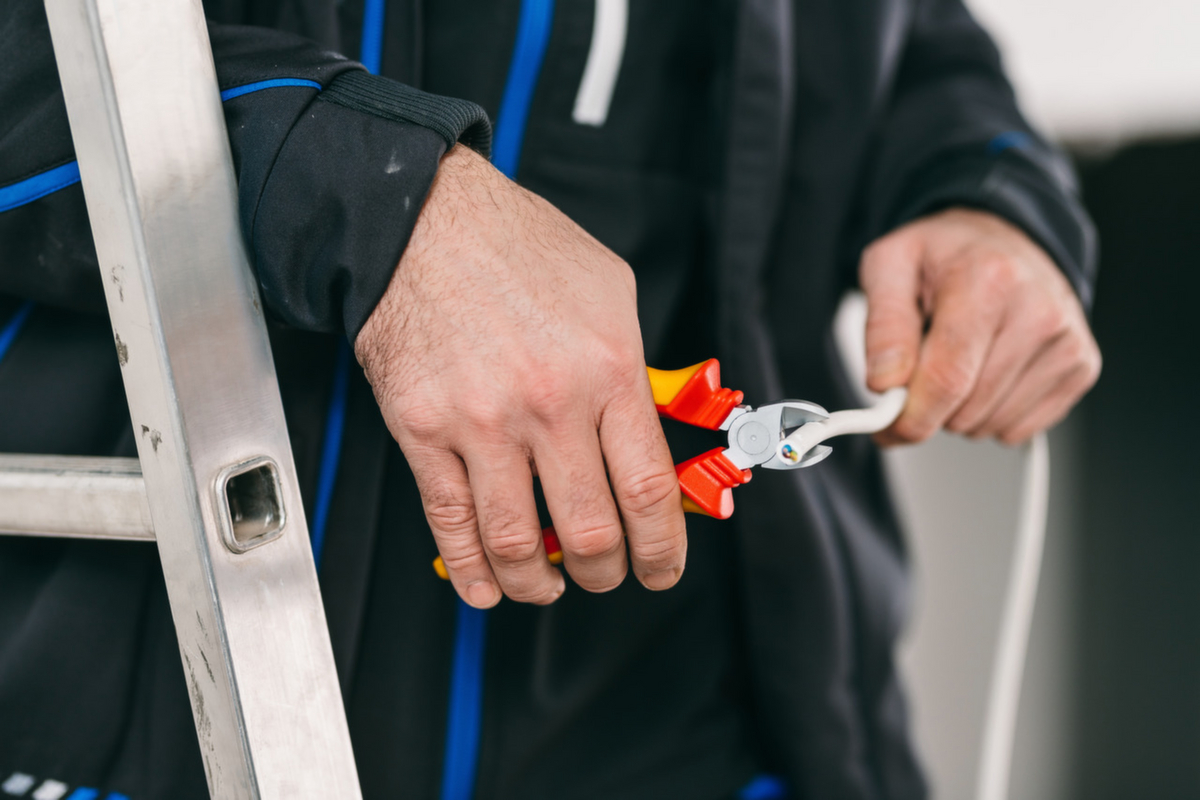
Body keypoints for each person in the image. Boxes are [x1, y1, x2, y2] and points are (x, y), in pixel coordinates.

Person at [0, 0, 1100, 797]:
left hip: (709, 727)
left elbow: (905, 43)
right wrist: (373, 195)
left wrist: (988, 190)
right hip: (149, 709)